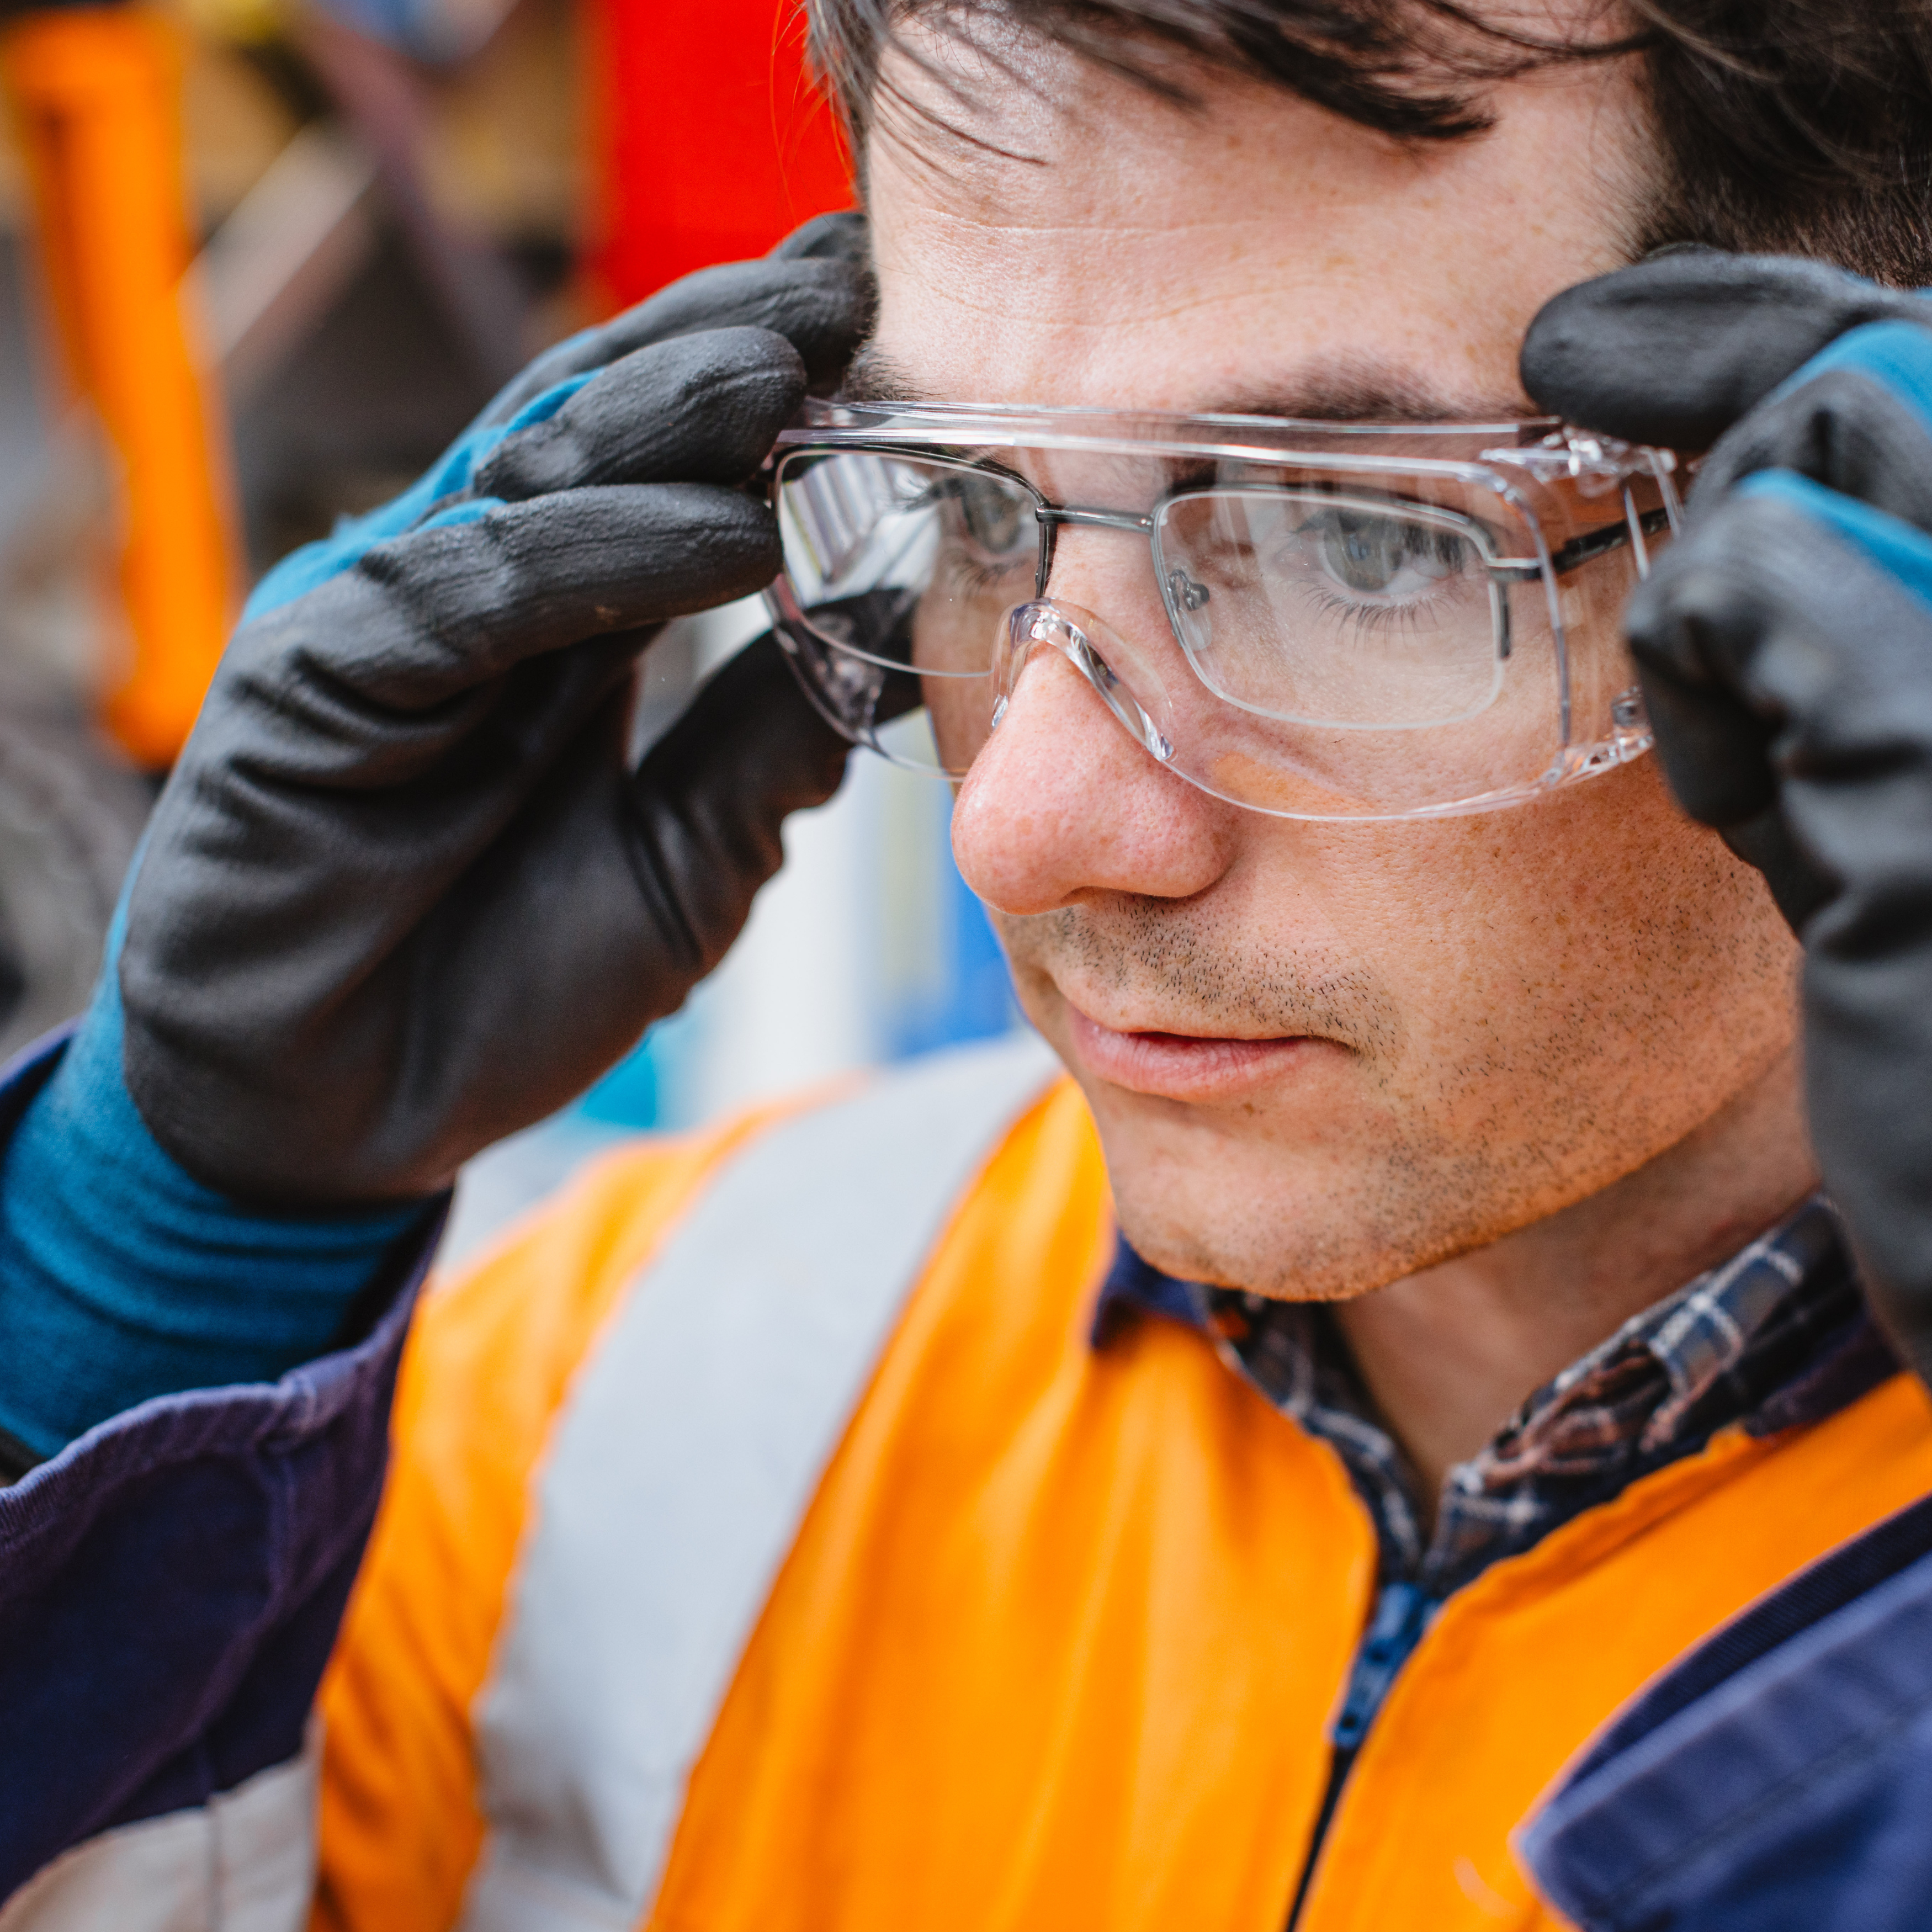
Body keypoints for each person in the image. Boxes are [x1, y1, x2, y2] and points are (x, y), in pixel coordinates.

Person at [4, 1, 1932, 1926]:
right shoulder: (633, 1386)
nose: (1025, 819)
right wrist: (152, 1277)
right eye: (978, 504)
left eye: (1357, 536)